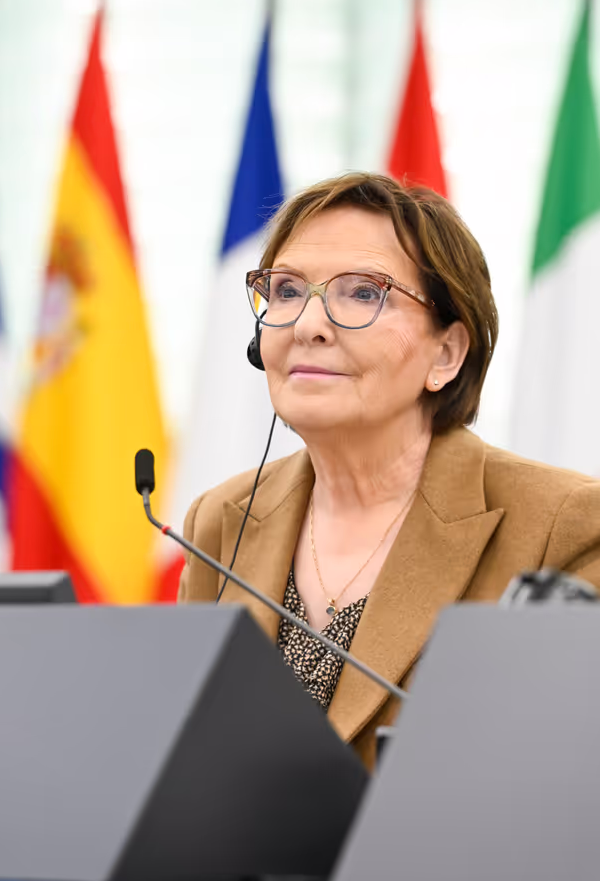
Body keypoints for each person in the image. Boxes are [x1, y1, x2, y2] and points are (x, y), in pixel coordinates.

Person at [178, 171, 600, 771]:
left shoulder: (566, 524)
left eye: (362, 293)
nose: (307, 325)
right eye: (287, 290)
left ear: (446, 354)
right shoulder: (220, 520)